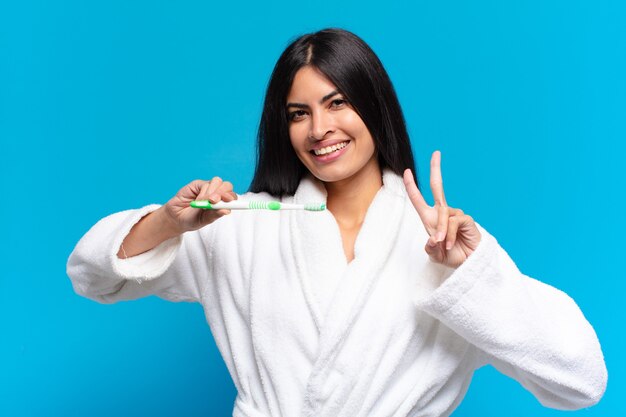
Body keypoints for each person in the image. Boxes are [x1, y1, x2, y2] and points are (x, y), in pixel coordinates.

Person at [67, 28, 607, 417]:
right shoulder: (237, 227)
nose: (319, 129)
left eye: (338, 103)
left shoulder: (447, 248)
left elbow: (580, 381)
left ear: (376, 107)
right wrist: (166, 223)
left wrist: (472, 276)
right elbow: (91, 275)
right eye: (298, 113)